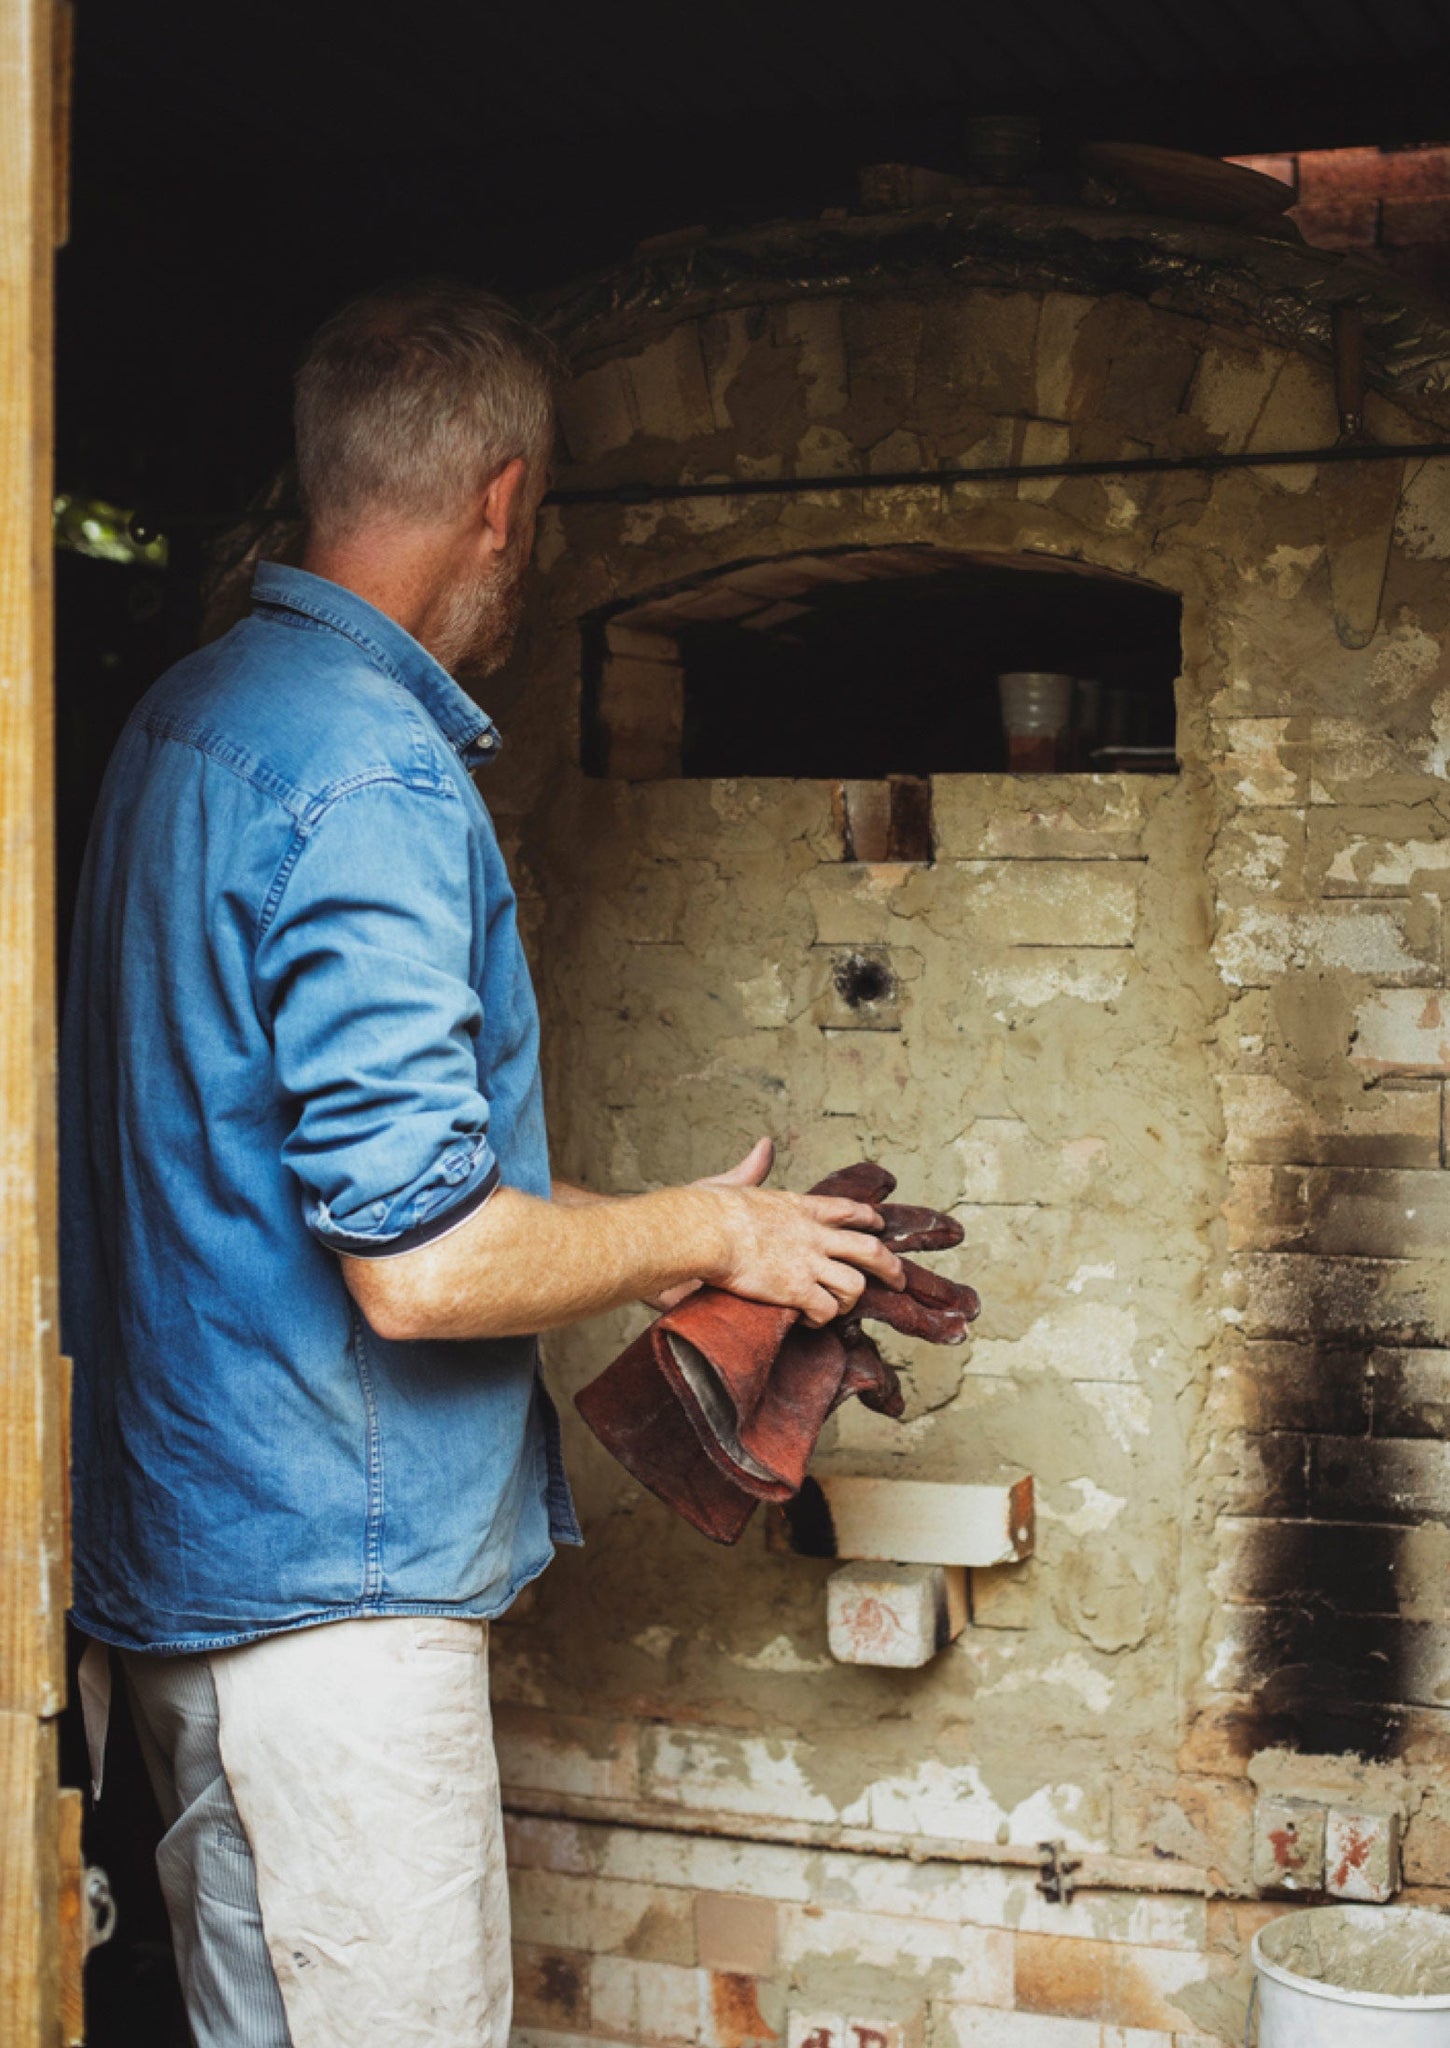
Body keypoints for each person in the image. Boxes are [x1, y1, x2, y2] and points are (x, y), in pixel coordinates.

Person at [60, 280, 905, 2048]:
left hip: (200, 1572)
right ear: (504, 499)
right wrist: (700, 1220)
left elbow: (304, 1169)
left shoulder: (188, 724)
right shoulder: (366, 770)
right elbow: (421, 1264)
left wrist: (701, 1241)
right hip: (336, 1616)